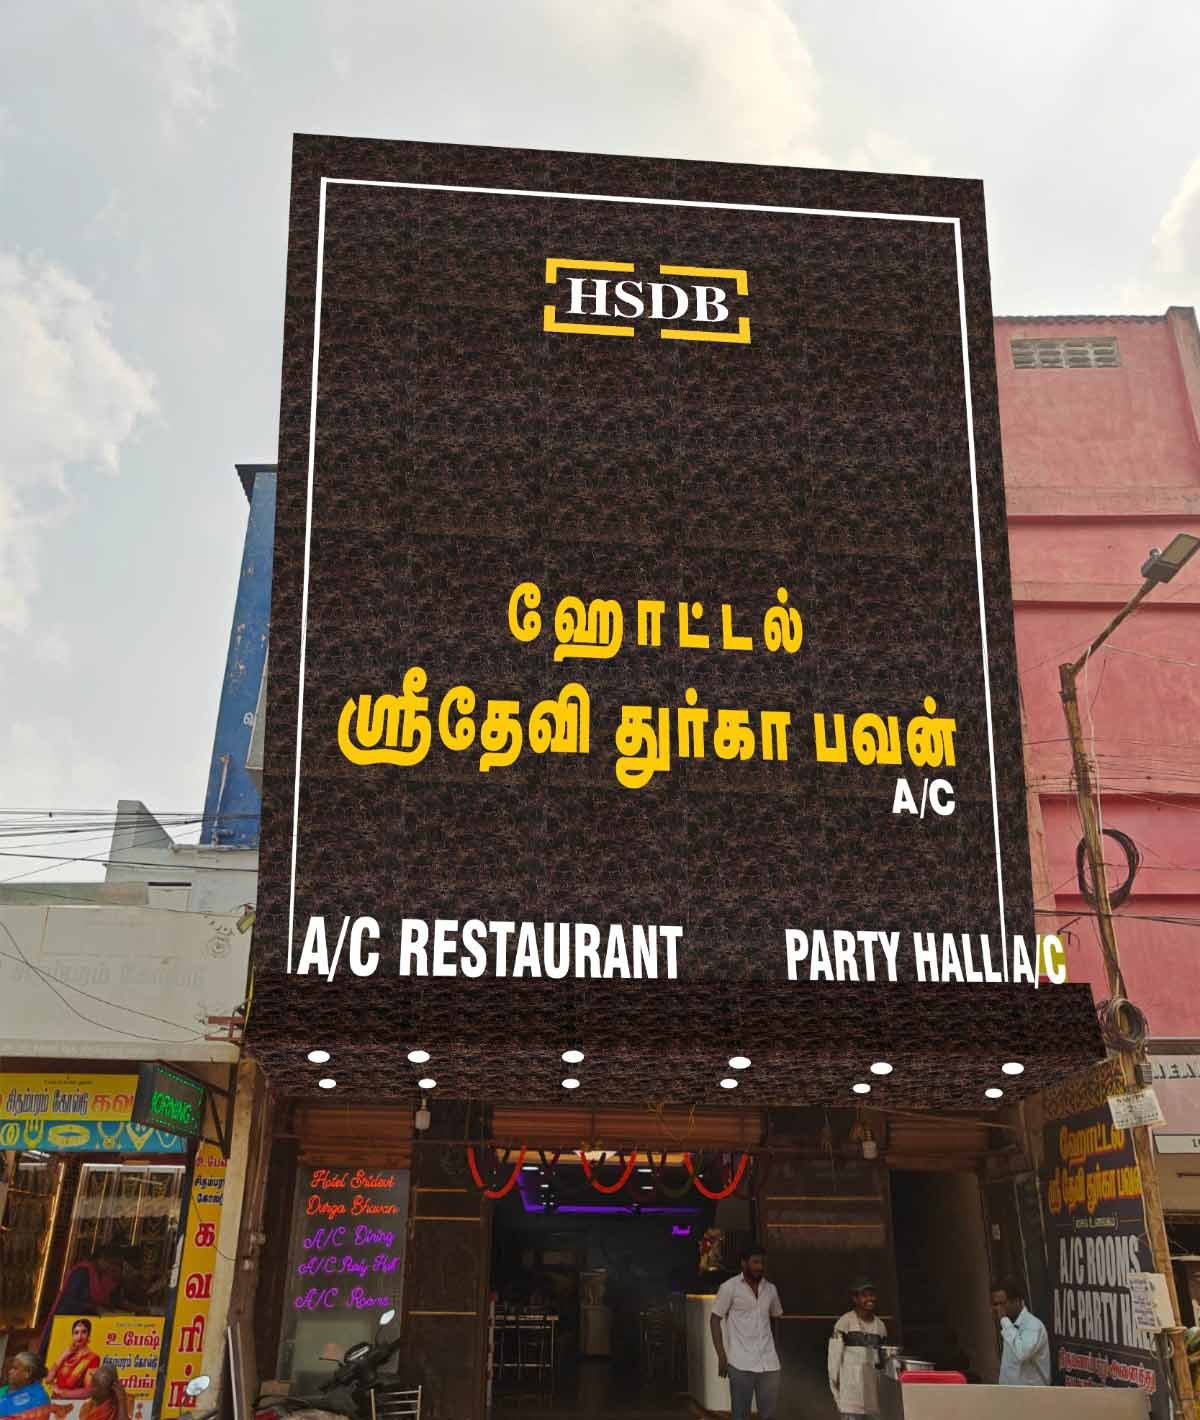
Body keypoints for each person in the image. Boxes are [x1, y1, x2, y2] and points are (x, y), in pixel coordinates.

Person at [710, 1245, 783, 1420]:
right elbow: (714, 1320)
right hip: (740, 1363)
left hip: (769, 1364)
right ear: (743, 1263)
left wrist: (776, 1349)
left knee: (769, 1416)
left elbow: (776, 1317)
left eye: (762, 1263)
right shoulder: (729, 1287)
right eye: (755, 1262)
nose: (760, 1267)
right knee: (741, 1415)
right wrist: (721, 1356)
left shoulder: (770, 1289)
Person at [36, 1248, 124, 1357]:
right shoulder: (82, 1272)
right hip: (66, 1319)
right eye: (109, 1263)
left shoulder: (98, 1274)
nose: (109, 1267)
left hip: (80, 1324)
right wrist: (94, 1308)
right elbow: (70, 1300)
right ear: (100, 1259)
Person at [829, 1279, 887, 1418]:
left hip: (873, 1396)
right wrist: (837, 1394)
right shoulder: (844, 1323)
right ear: (855, 1298)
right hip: (850, 1395)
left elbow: (883, 1364)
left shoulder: (880, 1326)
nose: (870, 1299)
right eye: (864, 1295)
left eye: (872, 1294)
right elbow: (833, 1362)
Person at [991, 1277, 1050, 1386]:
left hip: (1031, 1394)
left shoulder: (1033, 1325)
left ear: (1017, 1301)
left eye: (1002, 1304)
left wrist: (1004, 1320)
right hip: (1009, 1393)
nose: (998, 1309)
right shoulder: (1010, 1326)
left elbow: (1022, 1353)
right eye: (995, 1304)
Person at [46, 1319, 102, 1399]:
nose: (79, 1336)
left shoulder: (93, 1358)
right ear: (72, 1335)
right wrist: (63, 1355)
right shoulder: (67, 1355)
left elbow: (88, 1391)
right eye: (76, 1332)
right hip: (55, 1401)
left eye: (84, 1332)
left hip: (75, 1403)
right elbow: (48, 1379)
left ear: (89, 1335)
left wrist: (61, 1393)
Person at [0, 1354, 51, 1420]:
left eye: (15, 1368)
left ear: (28, 1373)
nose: (10, 1372)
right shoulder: (5, 1390)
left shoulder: (38, 1399)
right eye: (11, 1368)